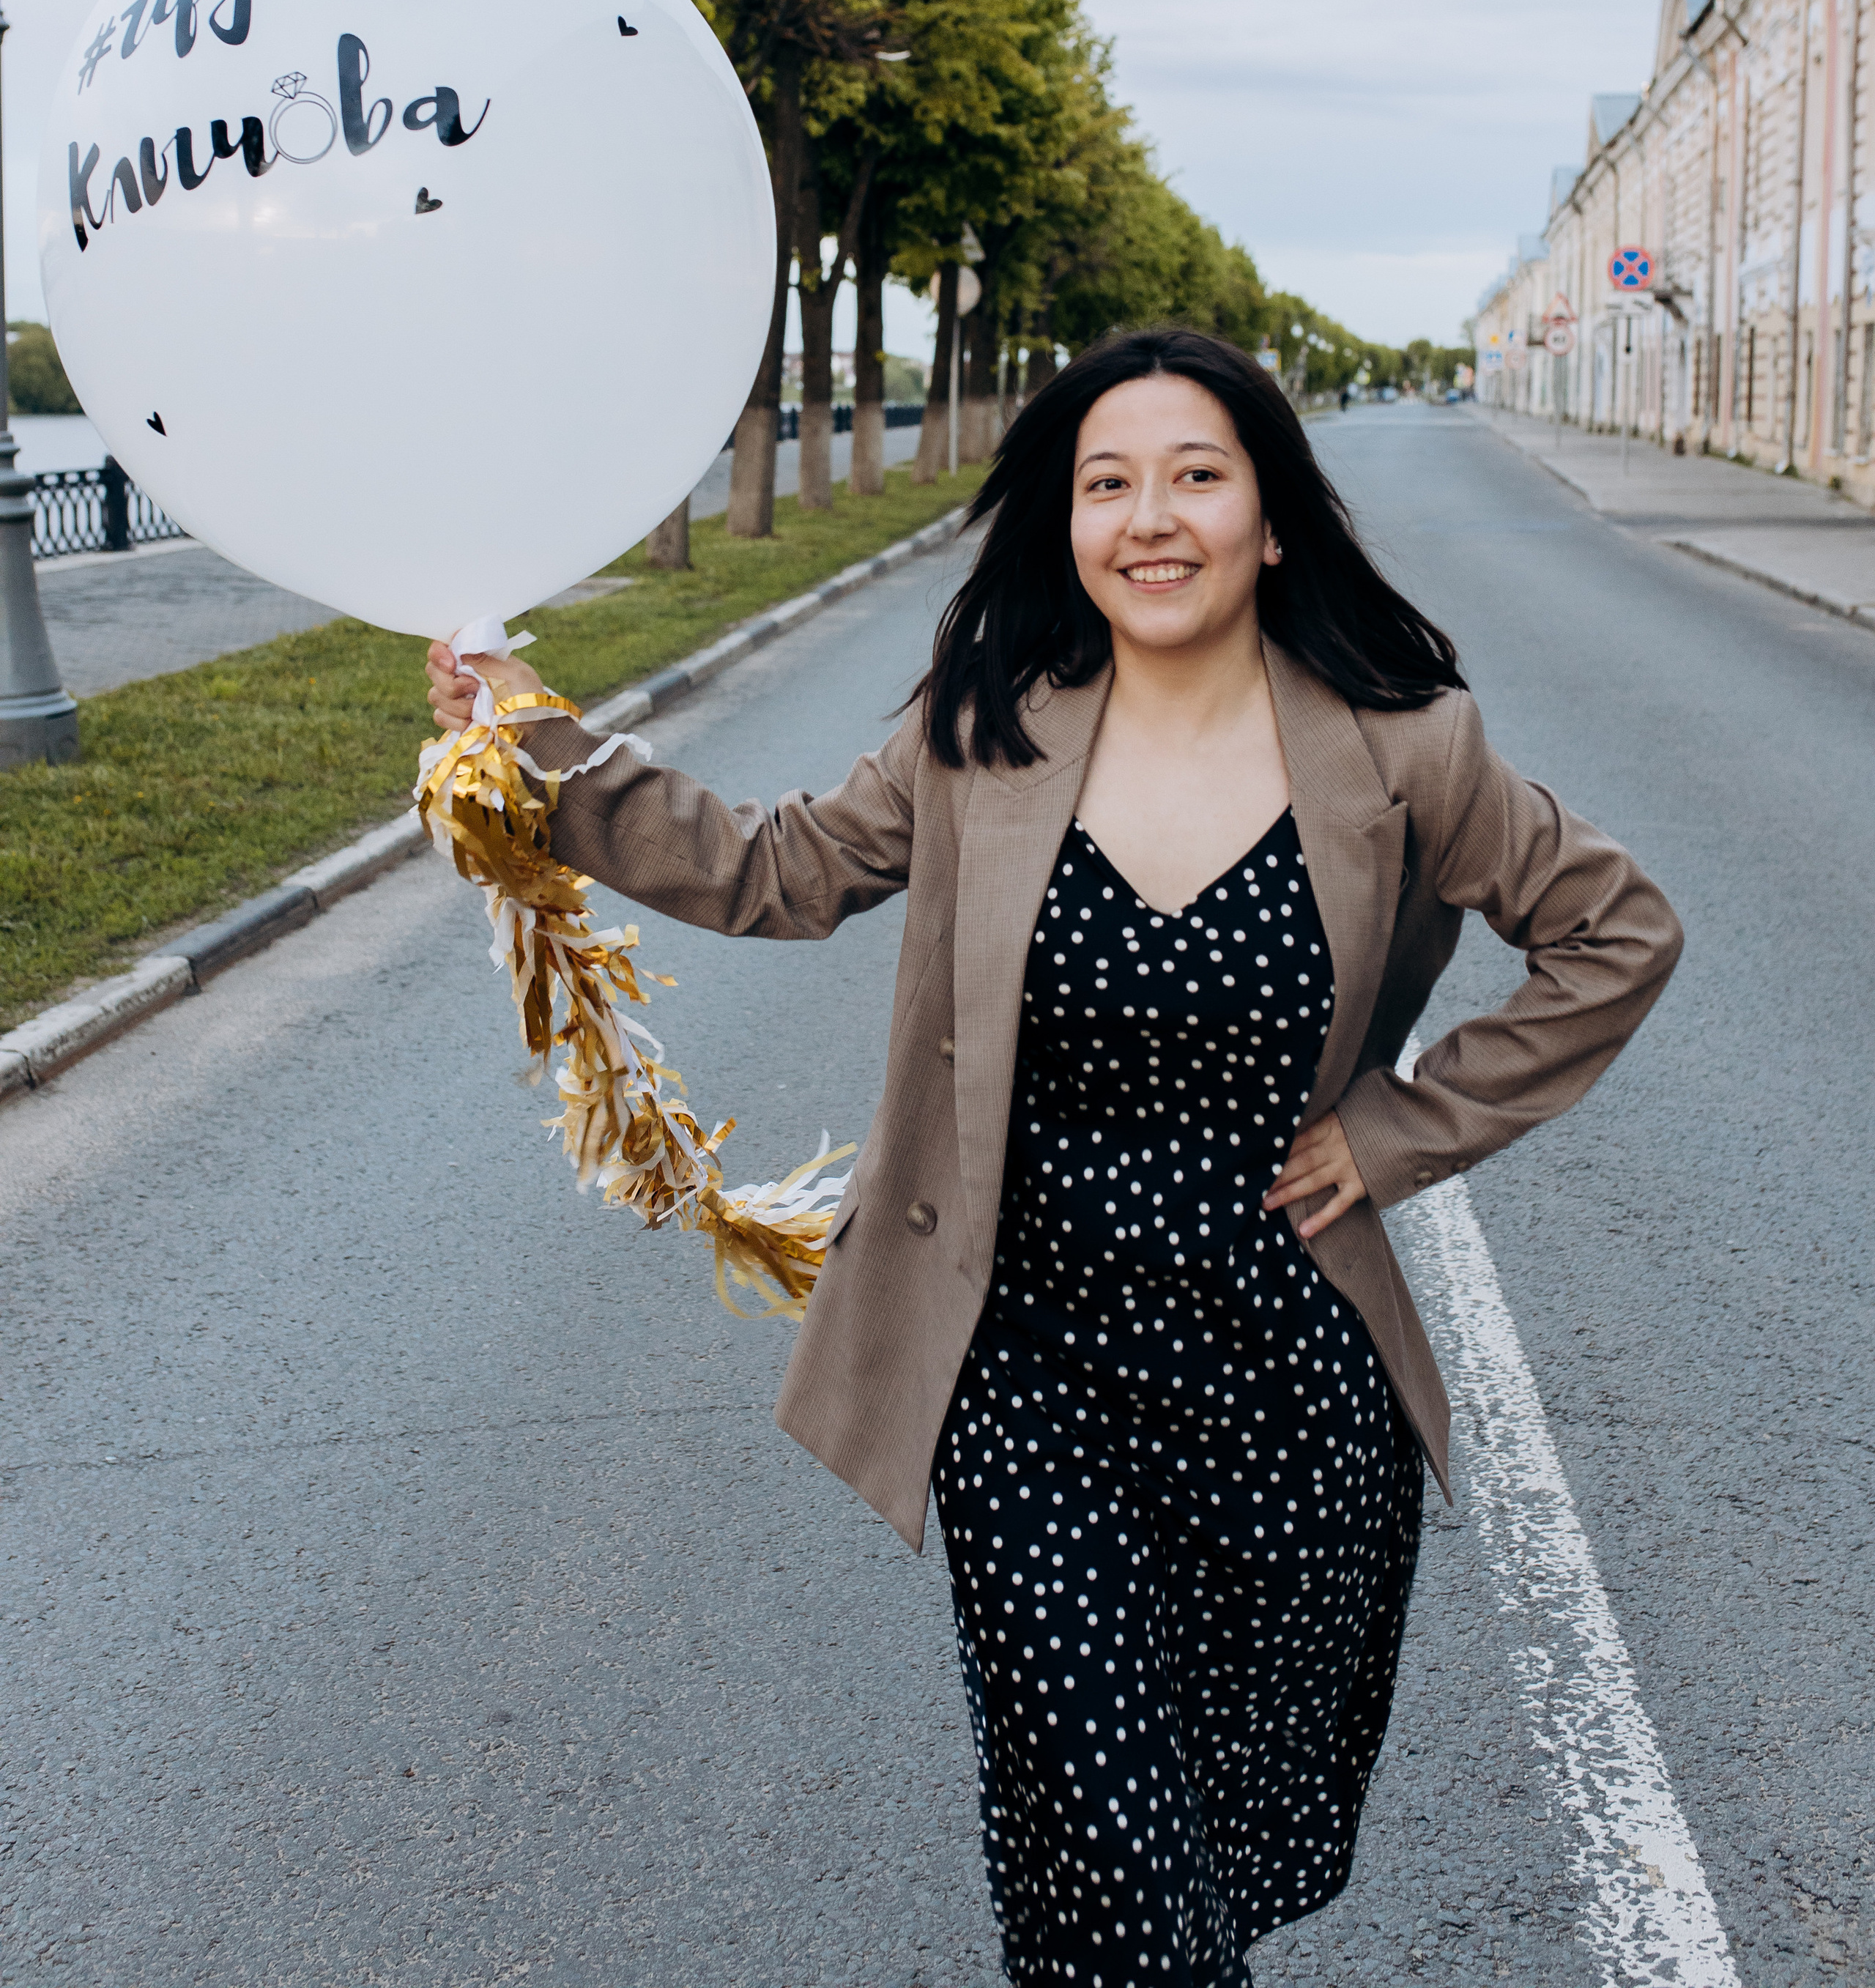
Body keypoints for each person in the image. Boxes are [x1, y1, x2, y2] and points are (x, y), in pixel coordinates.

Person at [426, 327, 1681, 1987]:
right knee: (1112, 1849)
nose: (1147, 517)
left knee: (1217, 1851)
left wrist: (1397, 1128)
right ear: (1069, 525)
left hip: (1284, 1376)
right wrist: (541, 753)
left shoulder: (1400, 745)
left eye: (1193, 476)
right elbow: (775, 871)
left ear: (1271, 520)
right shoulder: (981, 730)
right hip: (1023, 1361)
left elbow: (1614, 933)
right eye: (1106, 484)